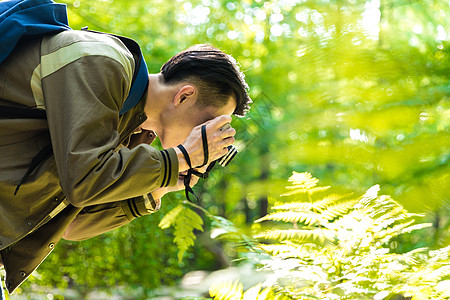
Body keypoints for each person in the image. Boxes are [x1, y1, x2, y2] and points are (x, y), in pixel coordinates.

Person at [0, 29, 251, 294]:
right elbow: (82, 181)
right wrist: (180, 158)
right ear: (184, 96)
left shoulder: (132, 128)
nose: (208, 138)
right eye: (210, 125)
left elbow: (72, 225)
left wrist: (159, 187)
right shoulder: (102, 60)